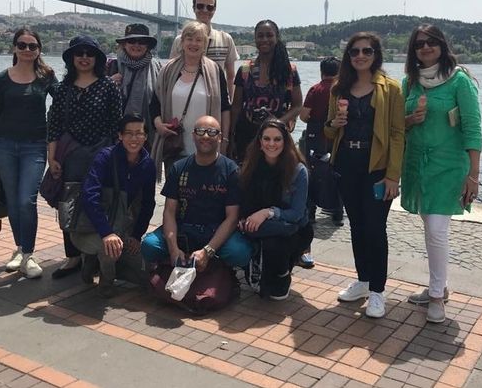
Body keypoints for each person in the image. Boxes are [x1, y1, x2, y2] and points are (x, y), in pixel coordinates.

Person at [401, 24, 482, 323]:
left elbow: (473, 127)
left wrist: (473, 174)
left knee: (436, 229)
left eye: (431, 42)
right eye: (419, 44)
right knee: (429, 227)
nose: (425, 47)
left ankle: (437, 296)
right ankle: (439, 285)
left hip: (448, 167)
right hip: (417, 165)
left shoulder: (460, 80)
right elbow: (398, 124)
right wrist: (410, 118)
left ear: (442, 46)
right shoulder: (409, 83)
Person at [325, 33, 404, 319]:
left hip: (377, 168)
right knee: (357, 225)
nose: (360, 55)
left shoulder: (391, 89)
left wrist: (393, 176)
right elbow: (329, 131)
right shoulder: (339, 89)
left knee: (375, 228)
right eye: (354, 51)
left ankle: (377, 291)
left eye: (366, 51)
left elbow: (397, 134)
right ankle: (362, 280)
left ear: (376, 54)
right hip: (347, 164)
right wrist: (334, 123)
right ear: (348, 56)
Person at [47, 36, 122, 279]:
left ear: (97, 59)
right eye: (79, 53)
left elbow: (115, 125)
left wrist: (114, 156)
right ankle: (73, 257)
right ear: (71, 58)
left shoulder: (108, 86)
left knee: (101, 203)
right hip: (71, 156)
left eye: (90, 53)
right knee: (68, 204)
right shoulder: (62, 89)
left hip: (102, 154)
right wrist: (52, 157)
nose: (84, 57)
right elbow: (54, 125)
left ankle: (98, 255)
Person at [141, 115, 252, 271]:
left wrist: (208, 251)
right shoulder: (179, 168)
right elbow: (169, 212)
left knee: (240, 253)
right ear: (193, 136)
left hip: (215, 231)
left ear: (219, 138)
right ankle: (175, 259)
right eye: (200, 131)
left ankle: (216, 267)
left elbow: (232, 218)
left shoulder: (231, 171)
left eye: (212, 132)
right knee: (149, 245)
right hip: (184, 229)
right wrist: (173, 248)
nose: (205, 136)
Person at [0, 28, 57, 279]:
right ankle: (19, 249)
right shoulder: (1, 78)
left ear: (39, 49)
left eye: (32, 46)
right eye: (22, 45)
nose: (27, 50)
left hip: (35, 145)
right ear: (14, 48)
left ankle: (29, 254)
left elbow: (64, 102)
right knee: (12, 200)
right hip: (4, 144)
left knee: (25, 200)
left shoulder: (46, 76)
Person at [71, 113, 156, 294]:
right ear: (120, 135)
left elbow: (148, 204)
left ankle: (94, 262)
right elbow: (89, 195)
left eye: (139, 133)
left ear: (146, 136)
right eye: (128, 133)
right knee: (109, 246)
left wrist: (136, 235)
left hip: (121, 225)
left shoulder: (147, 165)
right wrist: (106, 232)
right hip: (92, 225)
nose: (134, 139)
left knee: (144, 272)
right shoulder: (105, 157)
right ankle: (106, 281)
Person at [238, 119, 313, 300]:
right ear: (260, 142)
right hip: (262, 225)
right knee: (264, 233)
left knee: (280, 236)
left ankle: (282, 272)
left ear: (285, 141)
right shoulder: (250, 166)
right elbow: (243, 201)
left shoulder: (298, 170)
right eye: (267, 139)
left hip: (290, 228)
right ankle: (259, 261)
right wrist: (243, 219)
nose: (272, 144)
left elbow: (296, 214)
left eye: (277, 139)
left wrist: (267, 212)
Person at [151, 21, 231, 178]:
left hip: (207, 146)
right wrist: (159, 125)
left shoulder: (215, 71)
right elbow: (154, 104)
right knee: (175, 195)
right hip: (175, 146)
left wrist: (225, 140)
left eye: (199, 39)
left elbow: (225, 108)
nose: (193, 43)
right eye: (189, 38)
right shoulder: (168, 71)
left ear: (205, 44)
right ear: (182, 42)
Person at [230, 19, 302, 162]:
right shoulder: (245, 70)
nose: (264, 39)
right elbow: (236, 107)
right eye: (260, 36)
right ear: (255, 39)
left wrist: (278, 123)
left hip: (276, 139)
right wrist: (230, 138)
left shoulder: (288, 71)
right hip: (246, 135)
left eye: (269, 35)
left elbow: (298, 106)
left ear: (277, 37)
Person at [299, 56, 343, 238]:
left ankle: (311, 212)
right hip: (337, 136)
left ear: (321, 70)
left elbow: (303, 116)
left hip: (316, 135)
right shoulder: (342, 90)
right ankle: (338, 212)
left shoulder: (315, 90)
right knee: (337, 171)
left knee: (311, 171)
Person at [169, 0, 238, 95]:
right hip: (185, 99)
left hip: (216, 101)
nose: (205, 10)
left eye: (209, 7)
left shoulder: (226, 39)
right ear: (193, 8)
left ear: (214, 10)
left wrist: (231, 104)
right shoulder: (179, 41)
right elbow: (171, 73)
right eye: (200, 6)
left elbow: (230, 77)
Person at [108, 24, 162, 142]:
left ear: (147, 46)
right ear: (124, 44)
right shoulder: (111, 66)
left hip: (148, 134)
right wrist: (109, 83)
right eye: (132, 40)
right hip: (117, 135)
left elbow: (162, 100)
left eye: (142, 41)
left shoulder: (158, 67)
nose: (136, 45)